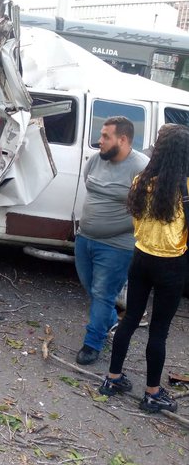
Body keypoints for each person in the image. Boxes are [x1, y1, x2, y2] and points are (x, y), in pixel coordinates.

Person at [99, 124, 189, 413]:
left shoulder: (140, 180)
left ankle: (113, 379)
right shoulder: (186, 187)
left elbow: (137, 221)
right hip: (172, 265)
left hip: (140, 259)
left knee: (130, 320)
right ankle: (151, 393)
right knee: (159, 332)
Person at [75, 116, 149, 365]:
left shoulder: (141, 168)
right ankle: (111, 322)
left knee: (103, 293)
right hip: (85, 239)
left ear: (123, 139)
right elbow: (89, 185)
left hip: (118, 246)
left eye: (106, 137)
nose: (100, 141)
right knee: (91, 288)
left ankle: (93, 343)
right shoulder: (96, 160)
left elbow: (148, 210)